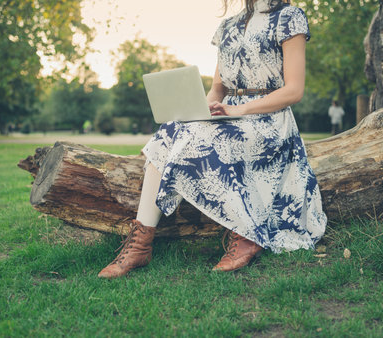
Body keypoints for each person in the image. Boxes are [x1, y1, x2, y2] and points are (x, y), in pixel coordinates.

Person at [98, 0, 327, 279]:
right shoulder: (228, 26)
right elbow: (217, 89)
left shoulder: (289, 17)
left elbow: (294, 90)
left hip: (268, 121)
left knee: (210, 142)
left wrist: (239, 109)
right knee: (167, 134)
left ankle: (246, 235)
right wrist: (203, 110)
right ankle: (140, 245)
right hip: (229, 113)